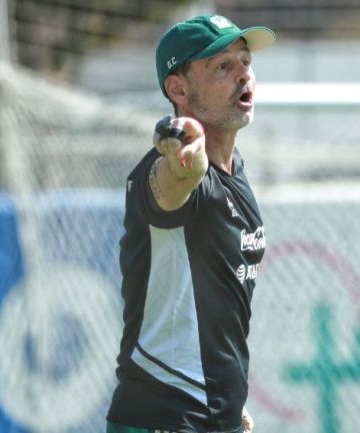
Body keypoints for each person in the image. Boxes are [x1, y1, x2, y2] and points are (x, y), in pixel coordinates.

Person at [106, 14, 276, 433]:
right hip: (162, 419)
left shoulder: (234, 168)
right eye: (223, 66)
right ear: (178, 89)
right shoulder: (177, 172)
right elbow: (174, 181)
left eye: (245, 62)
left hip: (212, 415)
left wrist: (229, 401)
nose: (243, 75)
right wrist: (185, 156)